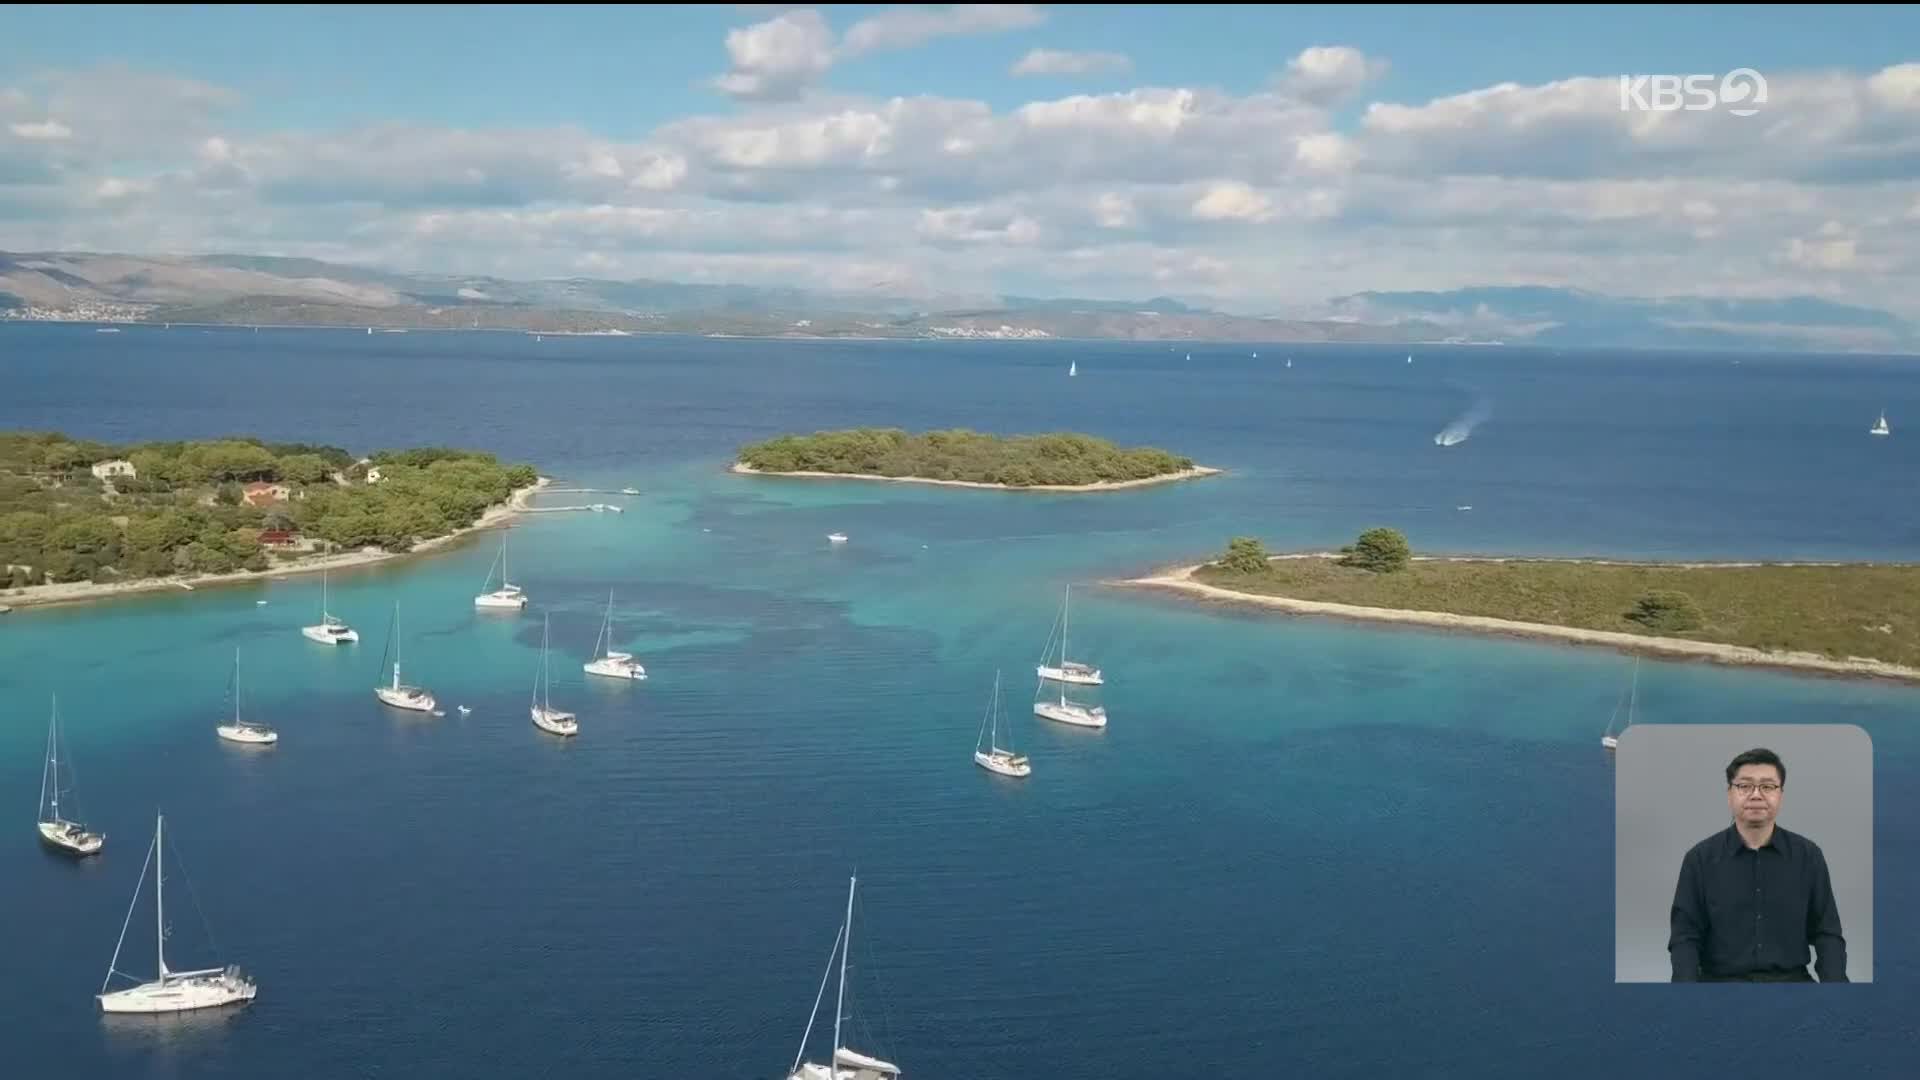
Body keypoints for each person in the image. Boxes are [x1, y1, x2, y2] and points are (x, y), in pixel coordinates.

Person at [1667, 747, 1848, 982]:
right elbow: (1684, 938)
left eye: (1767, 786)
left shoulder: (1808, 856)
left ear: (1780, 794)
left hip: (1792, 987)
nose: (1756, 795)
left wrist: (1837, 996)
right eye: (1744, 786)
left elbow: (1828, 934)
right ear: (1729, 793)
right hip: (1720, 988)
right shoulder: (1699, 859)